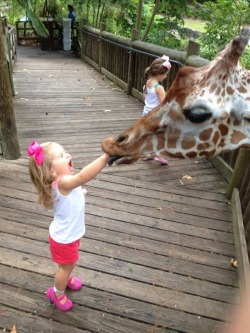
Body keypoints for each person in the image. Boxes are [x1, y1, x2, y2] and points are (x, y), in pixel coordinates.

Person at [27, 141, 109, 312]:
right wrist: (105, 156)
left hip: (68, 235)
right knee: (67, 265)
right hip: (64, 238)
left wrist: (80, 194)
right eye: (62, 156)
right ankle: (56, 293)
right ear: (51, 170)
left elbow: (73, 191)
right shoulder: (64, 183)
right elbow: (83, 177)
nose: (68, 156)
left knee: (67, 264)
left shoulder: (61, 183)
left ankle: (66, 276)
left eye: (65, 152)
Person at [142, 55, 171, 165]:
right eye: (166, 74)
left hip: (146, 113)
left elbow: (145, 97)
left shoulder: (148, 82)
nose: (166, 76)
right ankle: (157, 156)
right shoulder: (159, 88)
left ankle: (148, 154)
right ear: (161, 74)